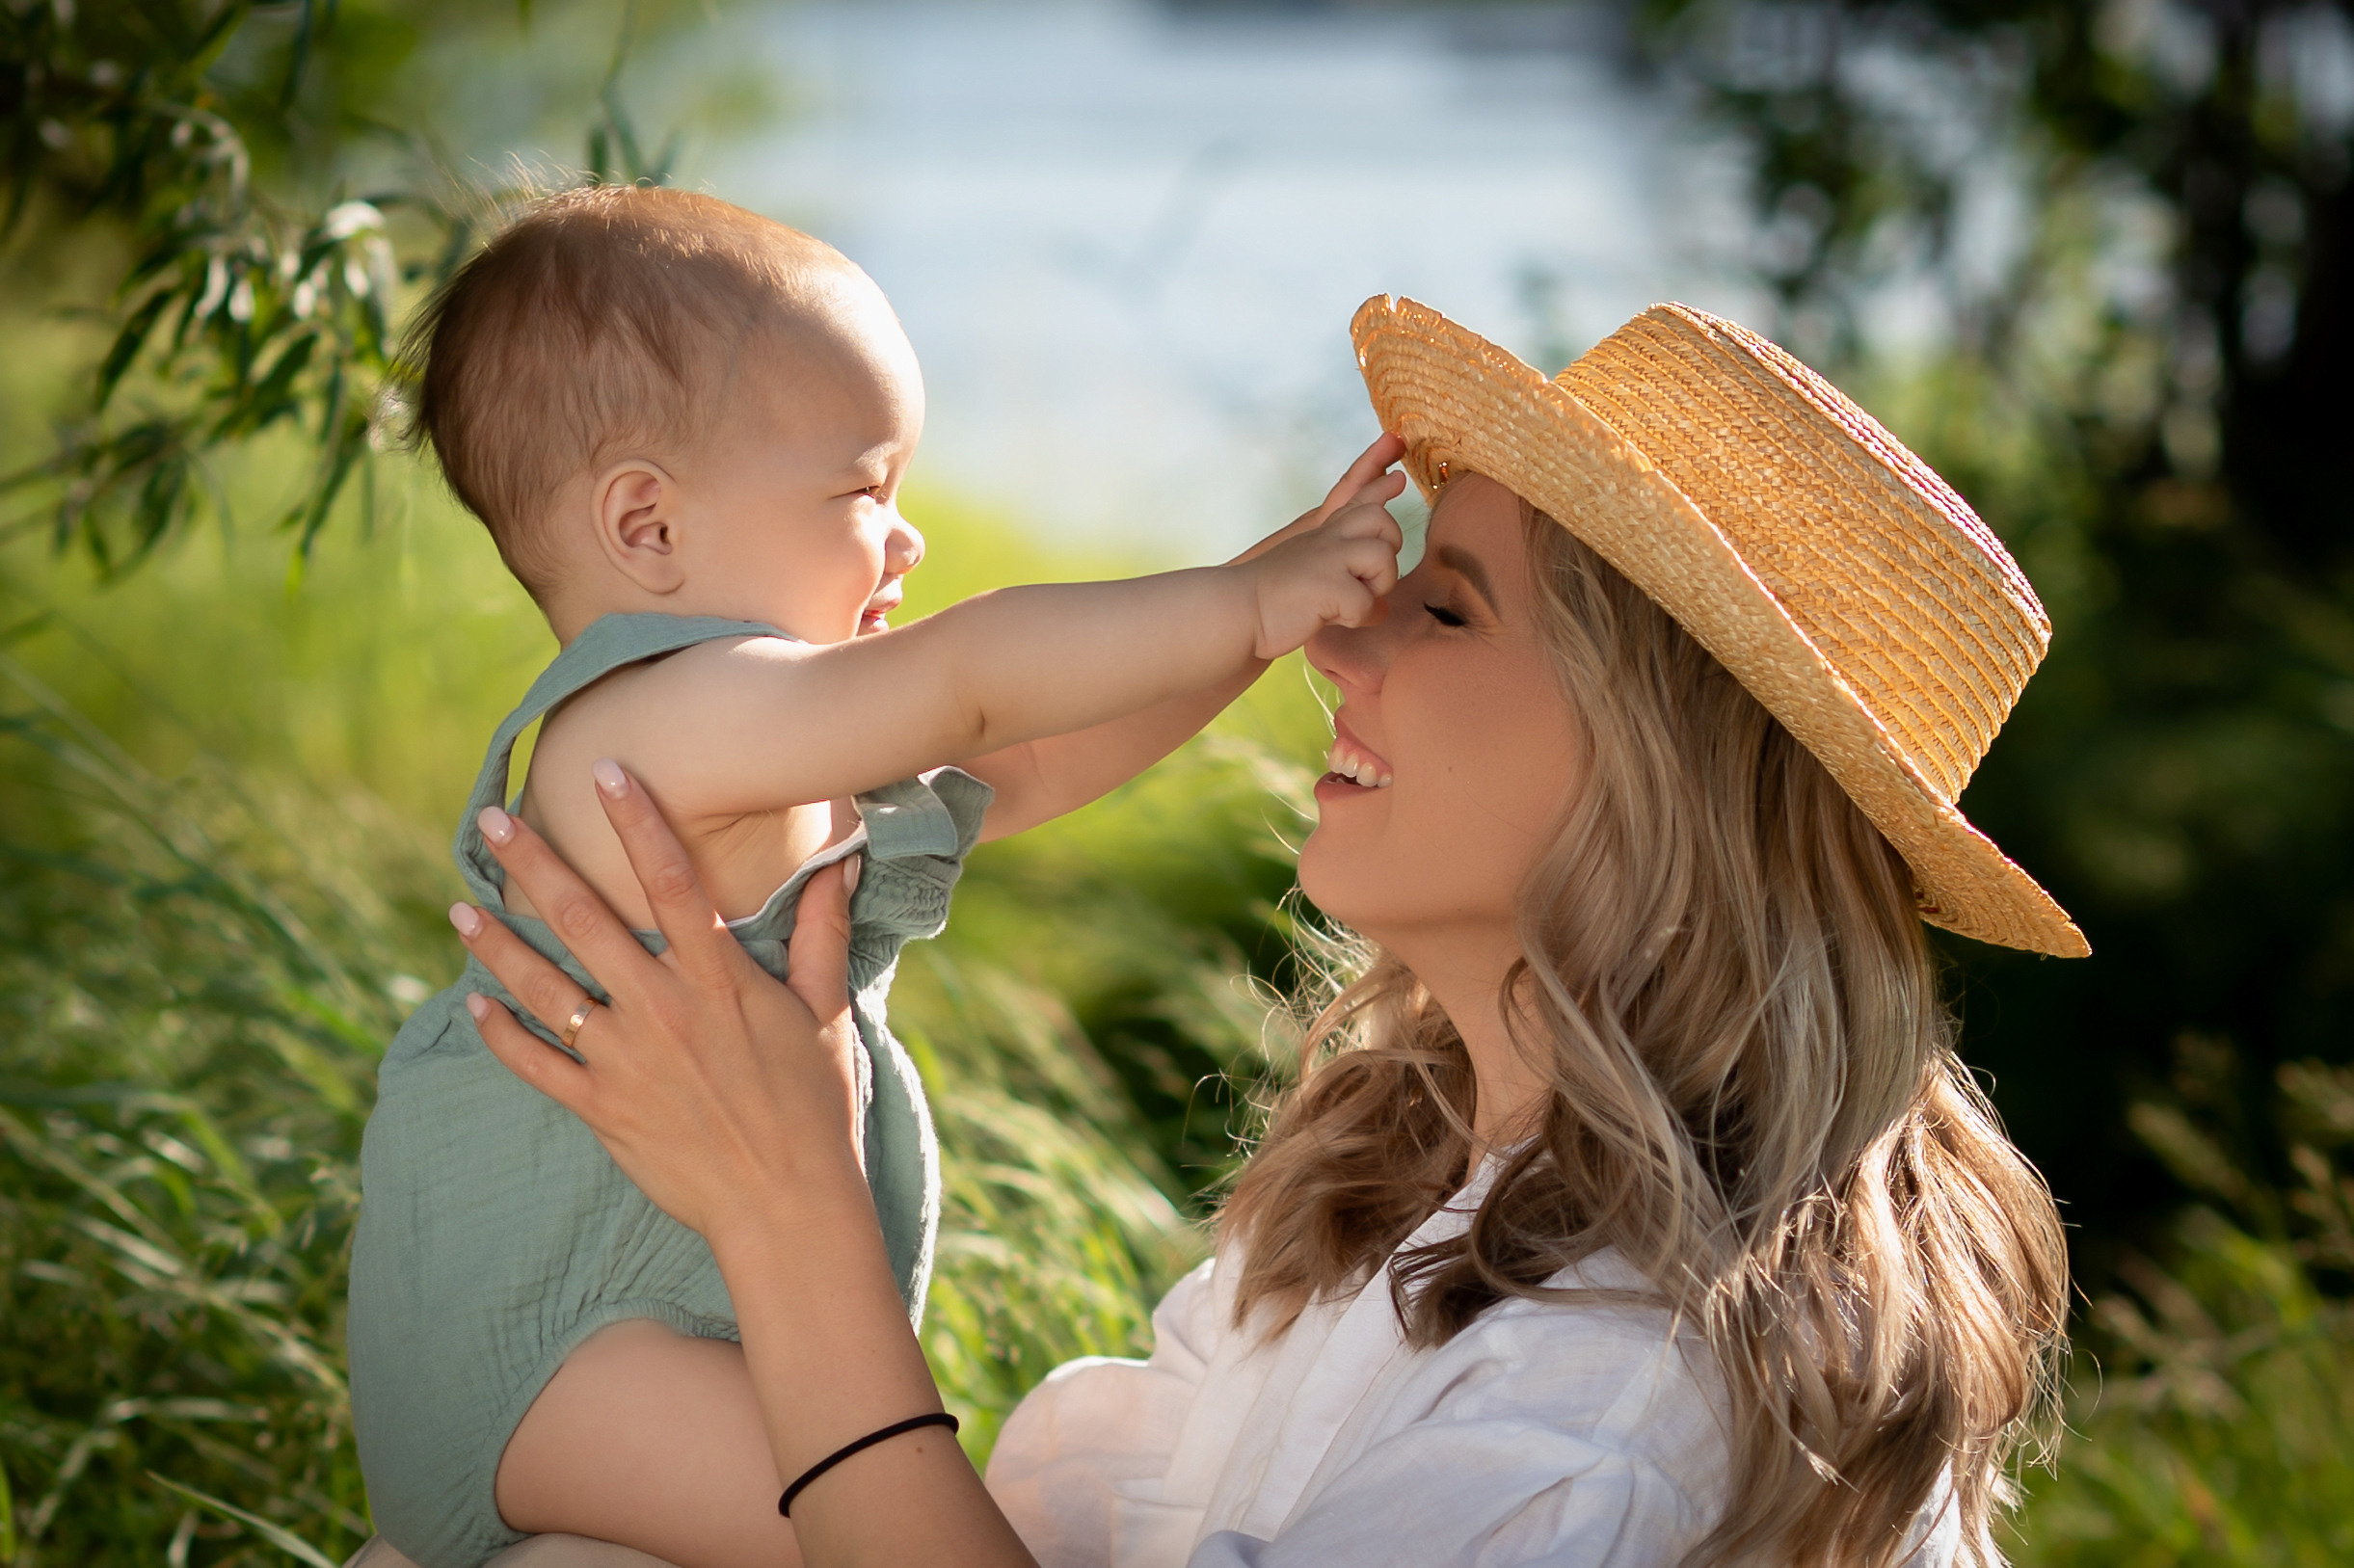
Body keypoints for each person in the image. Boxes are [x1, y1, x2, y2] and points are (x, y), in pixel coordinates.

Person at [440, 296, 2081, 1568]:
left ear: (1664, 769)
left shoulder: (1613, 1407)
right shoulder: (1418, 1177)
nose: (1339, 643)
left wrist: (787, 1217)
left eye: (1447, 607)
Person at [345, 182, 1409, 1568]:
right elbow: (969, 684)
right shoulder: (653, 720)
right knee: (899, 1536)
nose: (905, 538)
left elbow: (1030, 759)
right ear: (647, 526)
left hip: (633, 1326)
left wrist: (1248, 614)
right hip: (557, 1352)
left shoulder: (766, 739)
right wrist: (1237, 602)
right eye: (863, 489)